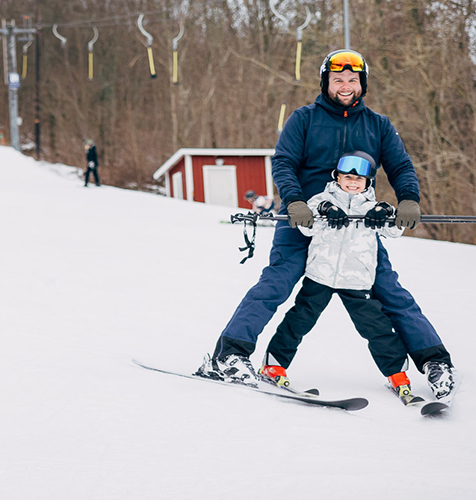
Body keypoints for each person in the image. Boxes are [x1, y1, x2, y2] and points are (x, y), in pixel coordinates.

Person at [193, 49, 455, 401]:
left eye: (352, 80)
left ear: (361, 83)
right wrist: (296, 200)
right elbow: (284, 162)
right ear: (326, 83)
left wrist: (409, 198)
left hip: (355, 229)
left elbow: (401, 167)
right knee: (276, 284)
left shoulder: (378, 125)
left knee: (391, 292)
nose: (346, 86)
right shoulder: (304, 119)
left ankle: (435, 362)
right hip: (304, 220)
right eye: (338, 80)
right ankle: (229, 356)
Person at [258, 152, 422, 405]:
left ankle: (397, 374)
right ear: (337, 177)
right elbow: (306, 225)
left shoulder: (373, 207)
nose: (353, 183)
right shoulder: (320, 200)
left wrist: (387, 212)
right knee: (298, 321)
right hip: (320, 276)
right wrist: (324, 210)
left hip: (357, 280)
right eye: (348, 177)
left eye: (360, 179)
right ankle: (274, 366)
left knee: (377, 328)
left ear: (368, 182)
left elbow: (394, 230)